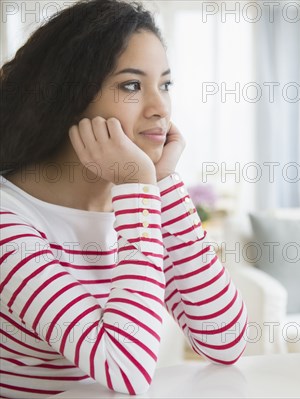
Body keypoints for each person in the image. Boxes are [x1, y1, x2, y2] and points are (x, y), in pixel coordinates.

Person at [0, 1, 247, 397]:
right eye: (131, 85)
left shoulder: (139, 200)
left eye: (165, 84)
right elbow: (125, 369)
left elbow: (226, 340)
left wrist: (160, 182)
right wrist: (141, 189)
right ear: (72, 97)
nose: (160, 108)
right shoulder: (10, 222)